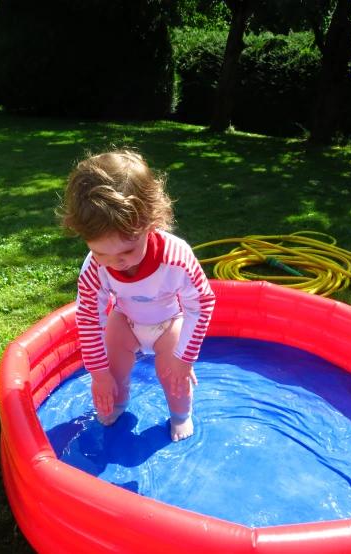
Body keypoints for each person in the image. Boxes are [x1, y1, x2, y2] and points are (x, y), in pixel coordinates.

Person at [59, 150, 215, 442]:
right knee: (112, 367)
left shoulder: (175, 258)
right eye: (101, 252)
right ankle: (117, 403)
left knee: (173, 375)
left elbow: (201, 303)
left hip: (168, 321)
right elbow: (89, 317)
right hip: (126, 320)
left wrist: (185, 358)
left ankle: (181, 414)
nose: (116, 262)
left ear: (150, 222)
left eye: (128, 250)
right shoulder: (95, 267)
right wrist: (98, 374)